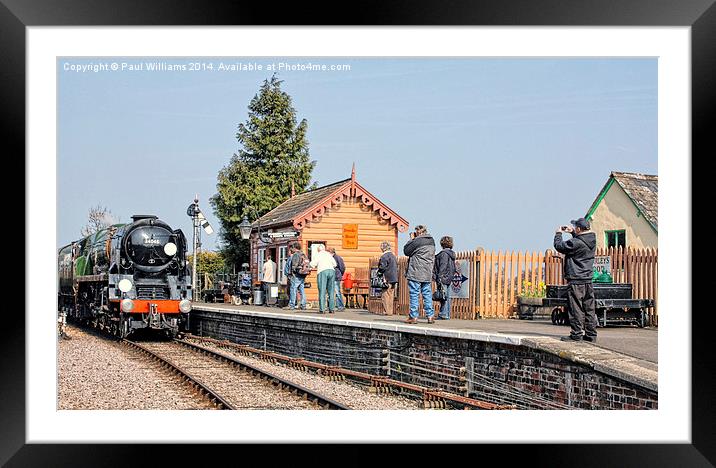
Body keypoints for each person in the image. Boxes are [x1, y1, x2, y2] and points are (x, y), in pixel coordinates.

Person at [554, 217, 598, 342]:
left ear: (579, 228)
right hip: (588, 279)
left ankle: (576, 334)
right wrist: (573, 233)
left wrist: (558, 233)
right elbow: (580, 242)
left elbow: (560, 246)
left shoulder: (576, 243)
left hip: (576, 279)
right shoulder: (592, 240)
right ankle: (591, 335)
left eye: (575, 227)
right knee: (589, 308)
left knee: (576, 308)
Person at [403, 225, 436, 324]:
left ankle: (413, 317)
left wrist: (411, 240)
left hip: (416, 272)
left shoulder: (417, 241)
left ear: (418, 232)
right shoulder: (432, 241)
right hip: (427, 272)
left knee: (414, 294)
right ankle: (430, 316)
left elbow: (406, 251)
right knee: (427, 294)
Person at [433, 236, 456, 320]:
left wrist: (439, 277)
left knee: (443, 297)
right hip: (449, 277)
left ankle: (443, 314)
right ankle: (447, 314)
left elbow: (443, 265)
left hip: (443, 277)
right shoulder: (451, 254)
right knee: (447, 296)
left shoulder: (443, 254)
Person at [310, 244, 337, 314]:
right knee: (331, 291)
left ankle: (322, 309)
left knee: (322, 290)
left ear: (318, 250)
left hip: (322, 271)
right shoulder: (328, 254)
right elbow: (335, 264)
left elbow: (313, 264)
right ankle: (332, 309)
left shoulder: (318, 254)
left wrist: (309, 265)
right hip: (331, 271)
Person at [284, 242, 307, 311]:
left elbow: (294, 266)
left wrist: (292, 273)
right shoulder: (303, 254)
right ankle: (303, 305)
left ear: (294, 248)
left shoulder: (295, 255)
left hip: (296, 275)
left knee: (293, 289)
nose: (292, 249)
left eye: (292, 248)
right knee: (302, 290)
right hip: (303, 274)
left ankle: (292, 305)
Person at [377, 241, 398, 316]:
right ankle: (390, 311)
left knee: (385, 295)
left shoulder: (384, 256)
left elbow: (382, 267)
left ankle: (387, 311)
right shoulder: (393, 256)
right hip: (394, 278)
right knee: (391, 295)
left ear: (383, 248)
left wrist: (379, 272)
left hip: (387, 278)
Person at [328, 247, 346, 311]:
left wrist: (340, 274)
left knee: (337, 292)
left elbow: (342, 267)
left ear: (331, 252)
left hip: (336, 276)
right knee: (330, 291)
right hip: (332, 276)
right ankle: (331, 306)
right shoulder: (331, 257)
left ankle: (341, 306)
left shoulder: (337, 257)